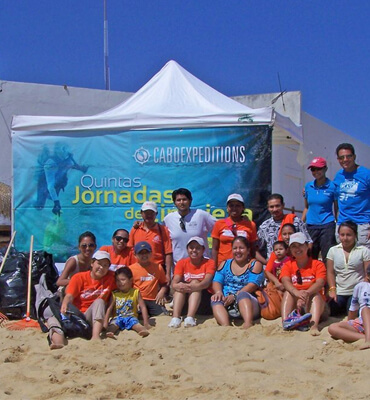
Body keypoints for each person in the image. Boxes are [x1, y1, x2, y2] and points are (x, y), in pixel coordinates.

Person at [47, 250, 116, 349]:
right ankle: (59, 342)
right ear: (92, 263)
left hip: (92, 318)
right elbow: (69, 295)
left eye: (105, 265)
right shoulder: (79, 277)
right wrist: (65, 303)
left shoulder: (111, 277)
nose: (102, 268)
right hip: (78, 316)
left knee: (99, 301)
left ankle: (95, 337)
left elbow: (126, 278)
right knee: (52, 319)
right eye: (99, 264)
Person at [211, 236, 264, 329]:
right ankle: (226, 326)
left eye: (241, 248)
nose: (238, 251)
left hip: (248, 303)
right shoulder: (225, 264)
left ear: (248, 250)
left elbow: (252, 285)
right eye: (235, 248)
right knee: (215, 298)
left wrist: (234, 296)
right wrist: (218, 292)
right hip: (227, 302)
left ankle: (248, 323)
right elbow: (216, 281)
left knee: (243, 294)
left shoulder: (255, 265)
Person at [280, 232, 327, 335]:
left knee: (316, 296)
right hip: (297, 301)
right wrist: (296, 293)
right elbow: (285, 281)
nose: (297, 249)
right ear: (290, 250)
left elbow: (320, 283)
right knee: (288, 293)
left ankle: (314, 326)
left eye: (300, 245)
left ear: (307, 246)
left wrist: (306, 293)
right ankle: (286, 322)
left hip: (315, 302)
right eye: (294, 246)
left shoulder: (317, 264)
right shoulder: (288, 265)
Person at [168, 237, 216, 328]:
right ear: (187, 249)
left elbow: (206, 282)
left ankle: (190, 317)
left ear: (203, 250)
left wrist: (191, 286)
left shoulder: (210, 263)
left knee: (195, 282)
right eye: (191, 247)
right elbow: (174, 283)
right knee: (179, 287)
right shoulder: (181, 263)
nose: (194, 250)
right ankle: (175, 318)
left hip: (204, 298)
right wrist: (179, 286)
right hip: (186, 297)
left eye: (198, 248)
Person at [326, 221, 370, 316]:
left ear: (355, 235)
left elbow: (367, 274)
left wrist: (363, 293)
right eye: (342, 235)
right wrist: (332, 290)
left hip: (356, 292)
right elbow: (330, 272)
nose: (345, 238)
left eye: (349, 235)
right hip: (340, 291)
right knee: (331, 311)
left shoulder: (364, 251)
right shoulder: (333, 251)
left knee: (353, 312)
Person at [163, 188, 216, 264]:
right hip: (178, 268)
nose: (182, 202)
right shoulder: (168, 219)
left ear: (190, 201)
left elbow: (220, 227)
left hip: (202, 266)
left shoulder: (201, 215)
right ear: (174, 202)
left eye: (184, 199)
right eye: (178, 200)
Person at [34, 142, 88, 215]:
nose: (67, 153)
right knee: (39, 206)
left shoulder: (68, 159)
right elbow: (50, 185)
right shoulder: (50, 163)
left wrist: (82, 168)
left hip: (59, 181)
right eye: (64, 150)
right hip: (45, 182)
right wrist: (56, 203)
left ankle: (53, 200)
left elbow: (73, 165)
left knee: (54, 194)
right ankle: (32, 201)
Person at [257, 193, 312, 262]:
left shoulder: (295, 221)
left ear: (283, 205)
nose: (275, 209)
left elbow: (309, 242)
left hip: (294, 264)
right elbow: (257, 248)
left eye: (277, 206)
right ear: (268, 208)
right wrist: (267, 263)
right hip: (273, 266)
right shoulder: (264, 226)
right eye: (271, 207)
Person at [334, 143, 370, 248]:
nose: (345, 159)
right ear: (338, 159)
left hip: (362, 225)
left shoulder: (366, 174)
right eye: (341, 157)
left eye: (348, 156)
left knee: (365, 261)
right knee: (344, 261)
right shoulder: (338, 176)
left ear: (354, 157)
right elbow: (334, 196)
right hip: (343, 225)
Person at [302, 157, 337, 262]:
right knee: (310, 255)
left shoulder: (333, 186)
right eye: (313, 169)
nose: (316, 172)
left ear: (325, 169)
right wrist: (299, 224)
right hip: (311, 226)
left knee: (328, 256)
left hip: (327, 225)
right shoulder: (308, 186)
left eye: (319, 169)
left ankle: (328, 278)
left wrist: (339, 225)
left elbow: (336, 208)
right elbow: (306, 207)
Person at [328, 265, 370, 350]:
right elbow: (353, 309)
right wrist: (350, 322)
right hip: (362, 322)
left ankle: (368, 340)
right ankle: (364, 337)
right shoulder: (361, 286)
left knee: (365, 309)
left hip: (366, 315)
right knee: (333, 328)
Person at [129, 201, 173, 282]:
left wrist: (168, 274)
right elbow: (129, 250)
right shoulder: (135, 229)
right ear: (141, 213)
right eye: (146, 213)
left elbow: (168, 252)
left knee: (159, 294)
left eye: (151, 213)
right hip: (138, 270)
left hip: (157, 270)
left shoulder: (163, 230)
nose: (149, 215)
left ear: (156, 214)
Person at [212, 193, 258, 266]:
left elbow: (253, 249)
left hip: (243, 266)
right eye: (231, 205)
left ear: (243, 208)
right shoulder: (219, 224)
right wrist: (214, 267)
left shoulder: (251, 225)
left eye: (237, 205)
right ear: (227, 208)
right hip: (223, 266)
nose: (234, 208)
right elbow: (215, 249)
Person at [104, 267, 150, 338]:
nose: (120, 283)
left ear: (130, 280)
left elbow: (142, 307)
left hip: (131, 316)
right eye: (117, 280)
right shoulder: (114, 294)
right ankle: (110, 332)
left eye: (123, 280)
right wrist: (105, 322)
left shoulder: (135, 292)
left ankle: (142, 330)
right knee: (113, 325)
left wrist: (146, 322)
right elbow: (109, 308)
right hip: (117, 317)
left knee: (136, 325)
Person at [128, 241, 169, 316]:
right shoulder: (130, 269)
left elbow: (164, 284)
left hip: (153, 299)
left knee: (163, 314)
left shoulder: (158, 267)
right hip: (138, 300)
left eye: (146, 252)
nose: (144, 255)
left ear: (151, 253)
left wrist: (161, 292)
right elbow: (127, 287)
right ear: (135, 255)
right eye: (141, 253)